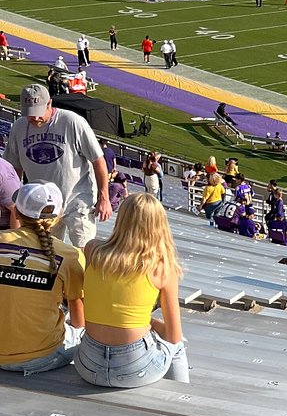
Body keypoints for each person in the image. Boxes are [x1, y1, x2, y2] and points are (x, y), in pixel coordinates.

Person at [75, 193, 188, 388]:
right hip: (135, 370)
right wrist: (150, 322)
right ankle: (182, 400)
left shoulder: (92, 249)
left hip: (87, 364)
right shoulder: (163, 268)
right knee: (178, 346)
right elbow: (173, 335)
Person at [3, 83, 111, 246]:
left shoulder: (72, 122)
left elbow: (98, 160)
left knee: (83, 251)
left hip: (77, 201)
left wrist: (104, 197)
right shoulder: (19, 126)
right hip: (42, 205)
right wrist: (17, 201)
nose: (35, 118)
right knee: (45, 253)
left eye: (38, 113)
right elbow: (14, 168)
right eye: (30, 114)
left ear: (49, 104)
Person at [0, 183, 86, 375]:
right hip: (41, 358)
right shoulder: (69, 255)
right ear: (56, 219)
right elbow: (78, 316)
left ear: (17, 214)